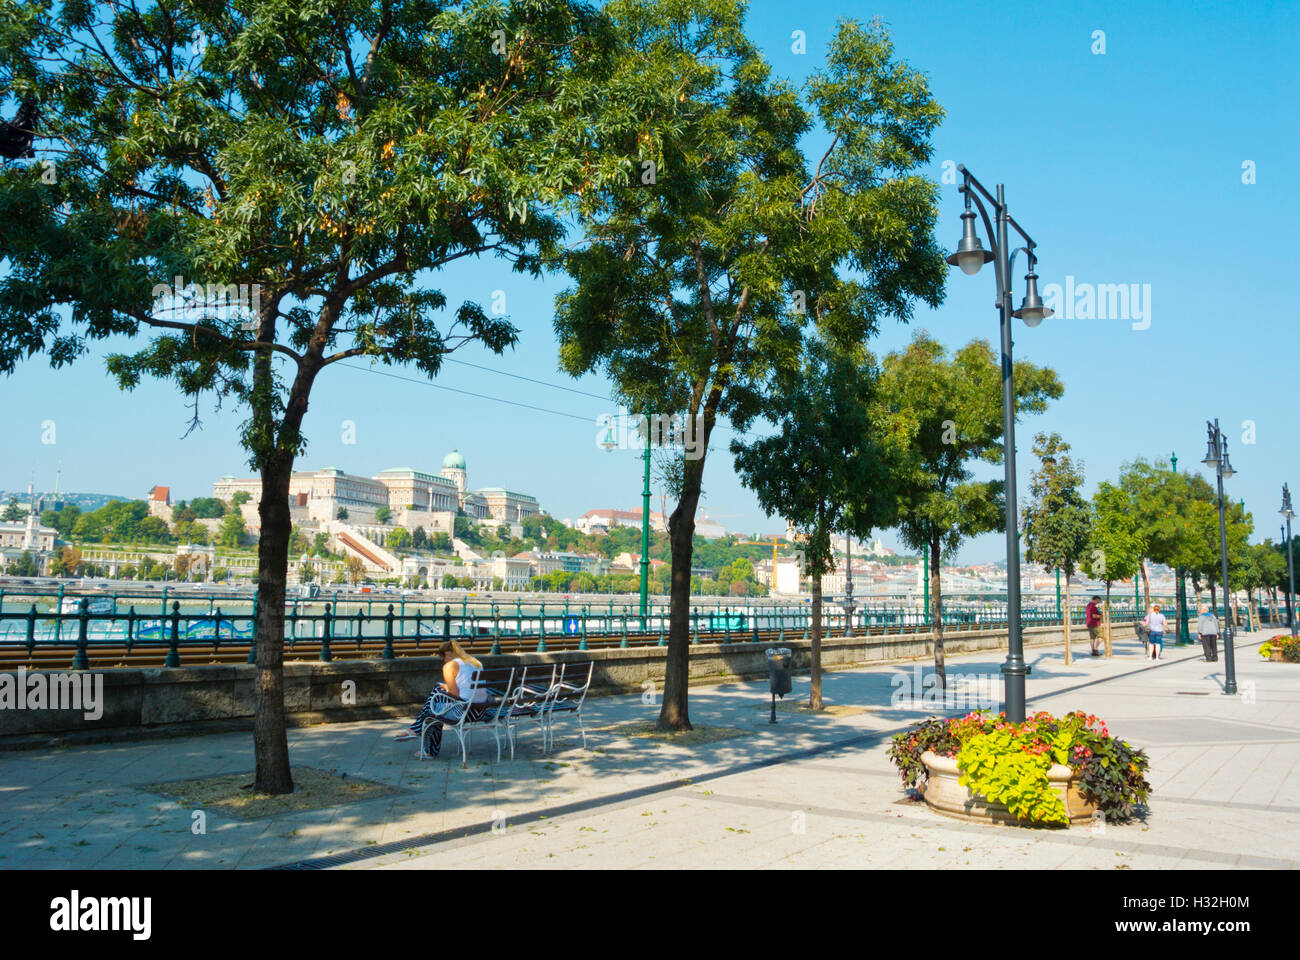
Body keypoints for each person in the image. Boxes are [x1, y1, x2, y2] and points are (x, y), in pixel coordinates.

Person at [394, 639, 488, 756]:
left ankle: (418, 735)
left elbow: (455, 694)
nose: (443, 662)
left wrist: (444, 687)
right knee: (435, 708)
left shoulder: (450, 666)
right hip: (480, 711)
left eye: (442, 659)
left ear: (447, 654)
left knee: (434, 703)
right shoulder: (476, 662)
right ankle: (419, 736)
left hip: (463, 712)